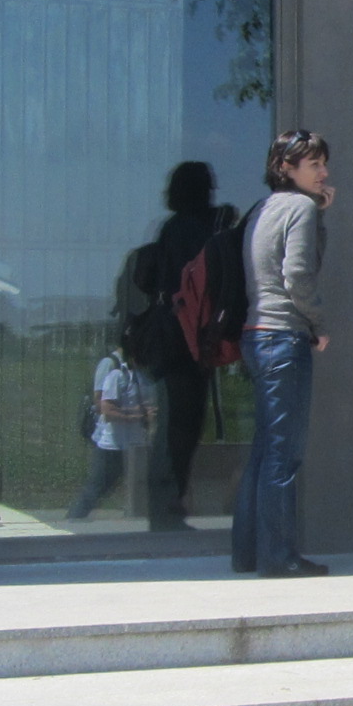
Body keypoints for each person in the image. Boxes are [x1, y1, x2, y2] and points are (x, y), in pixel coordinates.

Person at [230, 129, 332, 578]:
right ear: (286, 168)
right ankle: (279, 557)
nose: (324, 173)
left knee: (263, 452)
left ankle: (247, 553)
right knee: (283, 456)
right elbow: (299, 275)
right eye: (314, 165)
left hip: (256, 336)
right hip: (284, 336)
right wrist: (318, 324)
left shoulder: (263, 208)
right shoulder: (300, 208)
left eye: (323, 163)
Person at [151, 160, 222, 524]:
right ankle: (169, 504)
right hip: (185, 340)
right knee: (183, 425)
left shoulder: (172, 229)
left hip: (174, 340)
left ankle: (169, 504)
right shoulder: (190, 230)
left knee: (177, 425)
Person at [66, 338, 153, 519]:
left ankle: (136, 516)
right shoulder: (111, 367)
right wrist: (134, 414)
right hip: (112, 438)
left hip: (135, 441)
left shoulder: (139, 374)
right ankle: (75, 517)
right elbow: (101, 403)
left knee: (138, 483)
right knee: (99, 483)